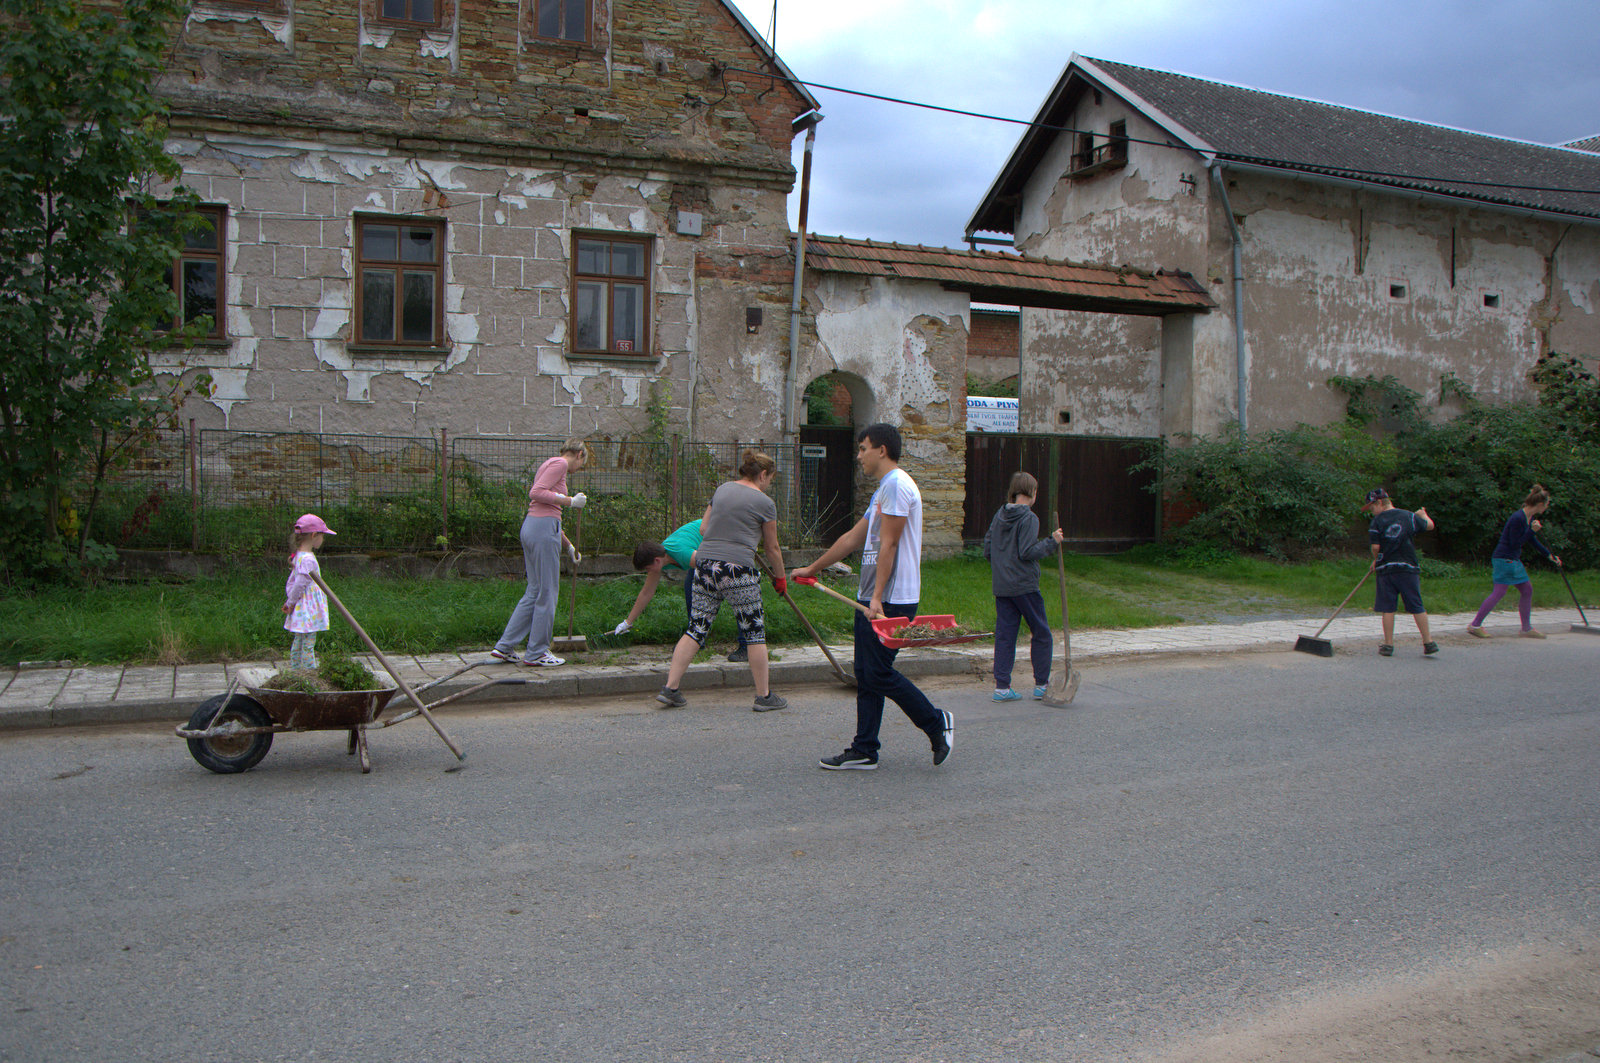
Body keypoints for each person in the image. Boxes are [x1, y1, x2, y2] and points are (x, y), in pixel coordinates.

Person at [793, 423, 954, 770]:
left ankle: (935, 722)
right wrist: (813, 568)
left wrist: (877, 597)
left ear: (882, 450)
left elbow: (890, 544)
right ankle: (865, 748)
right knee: (866, 673)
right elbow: (853, 538)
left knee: (878, 673)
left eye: (863, 448)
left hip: (891, 597)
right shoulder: (883, 490)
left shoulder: (896, 485)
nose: (859, 456)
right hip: (872, 595)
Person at [655, 449, 789, 712]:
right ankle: (764, 696)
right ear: (763, 474)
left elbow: (704, 529)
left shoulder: (722, 490)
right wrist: (781, 577)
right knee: (754, 632)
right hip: (738, 570)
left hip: (705, 566)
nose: (769, 484)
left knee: (696, 627)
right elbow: (772, 548)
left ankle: (670, 688)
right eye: (770, 479)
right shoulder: (765, 503)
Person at [491, 439, 587, 667]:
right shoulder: (561, 464)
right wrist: (570, 501)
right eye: (582, 463)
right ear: (579, 454)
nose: (578, 468)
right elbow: (536, 493)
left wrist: (568, 546)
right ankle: (537, 653)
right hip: (543, 530)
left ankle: (504, 647)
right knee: (547, 592)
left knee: (534, 590)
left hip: (534, 527)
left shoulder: (549, 463)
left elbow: (547, 511)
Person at [612, 519, 748, 662]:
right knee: (692, 591)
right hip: (706, 553)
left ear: (656, 561)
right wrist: (627, 622)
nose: (648, 572)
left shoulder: (682, 553)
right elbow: (646, 592)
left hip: (728, 540)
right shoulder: (661, 558)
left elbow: (715, 566)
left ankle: (747, 646)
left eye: (647, 569)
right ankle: (696, 640)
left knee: (738, 593)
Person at [983, 471, 1065, 701]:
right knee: (1041, 633)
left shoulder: (1000, 515)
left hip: (1002, 586)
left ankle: (1002, 688)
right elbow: (1028, 551)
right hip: (1025, 586)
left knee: (1005, 636)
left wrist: (1002, 567)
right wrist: (1052, 541)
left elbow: (988, 549)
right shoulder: (1029, 518)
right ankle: (1041, 685)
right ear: (1032, 492)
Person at [1467, 484, 1563, 639]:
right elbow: (1514, 543)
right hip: (1505, 559)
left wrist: (1549, 555)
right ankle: (1475, 625)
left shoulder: (1528, 518)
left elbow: (1532, 540)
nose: (1546, 508)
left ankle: (1526, 628)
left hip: (1512, 560)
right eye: (1546, 505)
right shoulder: (1518, 518)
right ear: (1540, 504)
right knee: (1499, 592)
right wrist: (1532, 531)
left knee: (1527, 590)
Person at [1364, 487, 1438, 657]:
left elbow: (1375, 547)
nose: (1371, 511)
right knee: (1416, 605)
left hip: (1386, 569)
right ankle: (1428, 642)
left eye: (1372, 507)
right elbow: (1429, 526)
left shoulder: (1377, 521)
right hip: (1408, 568)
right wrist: (1423, 515)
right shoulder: (1408, 516)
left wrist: (1376, 559)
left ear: (1379, 503)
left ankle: (1388, 645)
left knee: (1388, 607)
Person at [283, 513, 335, 671]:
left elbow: (292, 581)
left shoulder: (299, 556)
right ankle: (309, 673)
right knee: (307, 644)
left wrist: (290, 601)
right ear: (313, 535)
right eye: (322, 535)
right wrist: (290, 602)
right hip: (308, 609)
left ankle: (296, 670)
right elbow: (299, 584)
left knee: (299, 641)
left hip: (302, 607)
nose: (323, 539)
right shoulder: (308, 560)